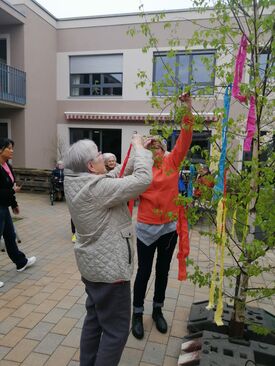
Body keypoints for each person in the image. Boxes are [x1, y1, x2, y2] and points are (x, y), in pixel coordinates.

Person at [63, 134, 152, 366]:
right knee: (115, 332)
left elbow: (117, 176)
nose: (103, 156)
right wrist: (140, 149)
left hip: (92, 268)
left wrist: (136, 152)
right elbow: (142, 179)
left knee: (94, 320)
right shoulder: (96, 189)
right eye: (98, 155)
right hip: (110, 272)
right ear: (91, 167)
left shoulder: (76, 181)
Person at [132, 93, 194, 339]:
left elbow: (186, 138)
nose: (154, 147)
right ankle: (137, 313)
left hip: (168, 228)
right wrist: (139, 149)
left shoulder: (173, 162)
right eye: (150, 145)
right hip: (146, 228)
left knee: (162, 271)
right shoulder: (142, 168)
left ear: (164, 149)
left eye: (158, 145)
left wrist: (187, 109)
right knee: (143, 272)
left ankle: (157, 310)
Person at [0, 138, 36, 287]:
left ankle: (21, 262)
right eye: (9, 148)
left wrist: (14, 204)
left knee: (10, 236)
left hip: (4, 207)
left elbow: (10, 187)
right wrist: (11, 191)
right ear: (0, 150)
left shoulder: (7, 166)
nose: (12, 150)